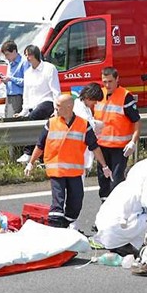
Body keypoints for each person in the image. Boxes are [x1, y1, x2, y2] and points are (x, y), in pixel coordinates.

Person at [24, 94, 112, 229]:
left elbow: (94, 146)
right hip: (56, 170)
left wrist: (104, 166)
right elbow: (40, 145)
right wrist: (31, 162)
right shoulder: (51, 123)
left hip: (74, 171)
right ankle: (55, 228)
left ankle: (64, 225)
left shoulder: (83, 124)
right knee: (57, 204)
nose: (56, 109)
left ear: (69, 107)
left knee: (75, 204)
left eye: (58, 106)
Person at [94, 67, 141, 201]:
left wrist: (133, 142)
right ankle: (105, 215)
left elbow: (137, 121)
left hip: (119, 149)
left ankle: (118, 214)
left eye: (110, 81)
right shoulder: (99, 95)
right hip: (102, 147)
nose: (107, 85)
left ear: (117, 79)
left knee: (116, 183)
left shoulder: (125, 97)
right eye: (104, 82)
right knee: (103, 184)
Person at [15, 44, 61, 163]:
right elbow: (27, 93)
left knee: (33, 117)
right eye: (26, 55)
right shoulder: (28, 72)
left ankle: (28, 153)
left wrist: (57, 110)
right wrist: (23, 111)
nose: (28, 57)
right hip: (33, 105)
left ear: (36, 55)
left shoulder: (49, 68)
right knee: (33, 121)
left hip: (47, 102)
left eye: (29, 54)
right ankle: (41, 156)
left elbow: (55, 90)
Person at [0, 40, 29, 118]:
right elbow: (10, 80)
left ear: (14, 51)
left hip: (18, 96)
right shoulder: (10, 63)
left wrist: (11, 78)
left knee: (13, 120)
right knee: (7, 119)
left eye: (7, 55)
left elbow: (26, 82)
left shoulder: (24, 62)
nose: (6, 57)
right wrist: (5, 80)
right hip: (9, 96)